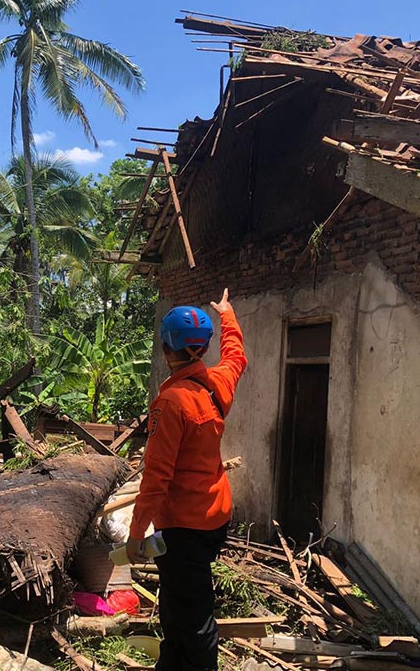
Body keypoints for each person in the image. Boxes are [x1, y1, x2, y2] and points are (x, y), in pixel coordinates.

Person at [127, 288, 248, 671]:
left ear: (167, 349)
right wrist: (227, 314)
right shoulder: (217, 383)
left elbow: (156, 476)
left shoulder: (171, 403)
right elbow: (236, 357)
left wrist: (136, 533)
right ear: (204, 347)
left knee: (193, 617)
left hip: (183, 527)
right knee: (176, 603)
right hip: (214, 517)